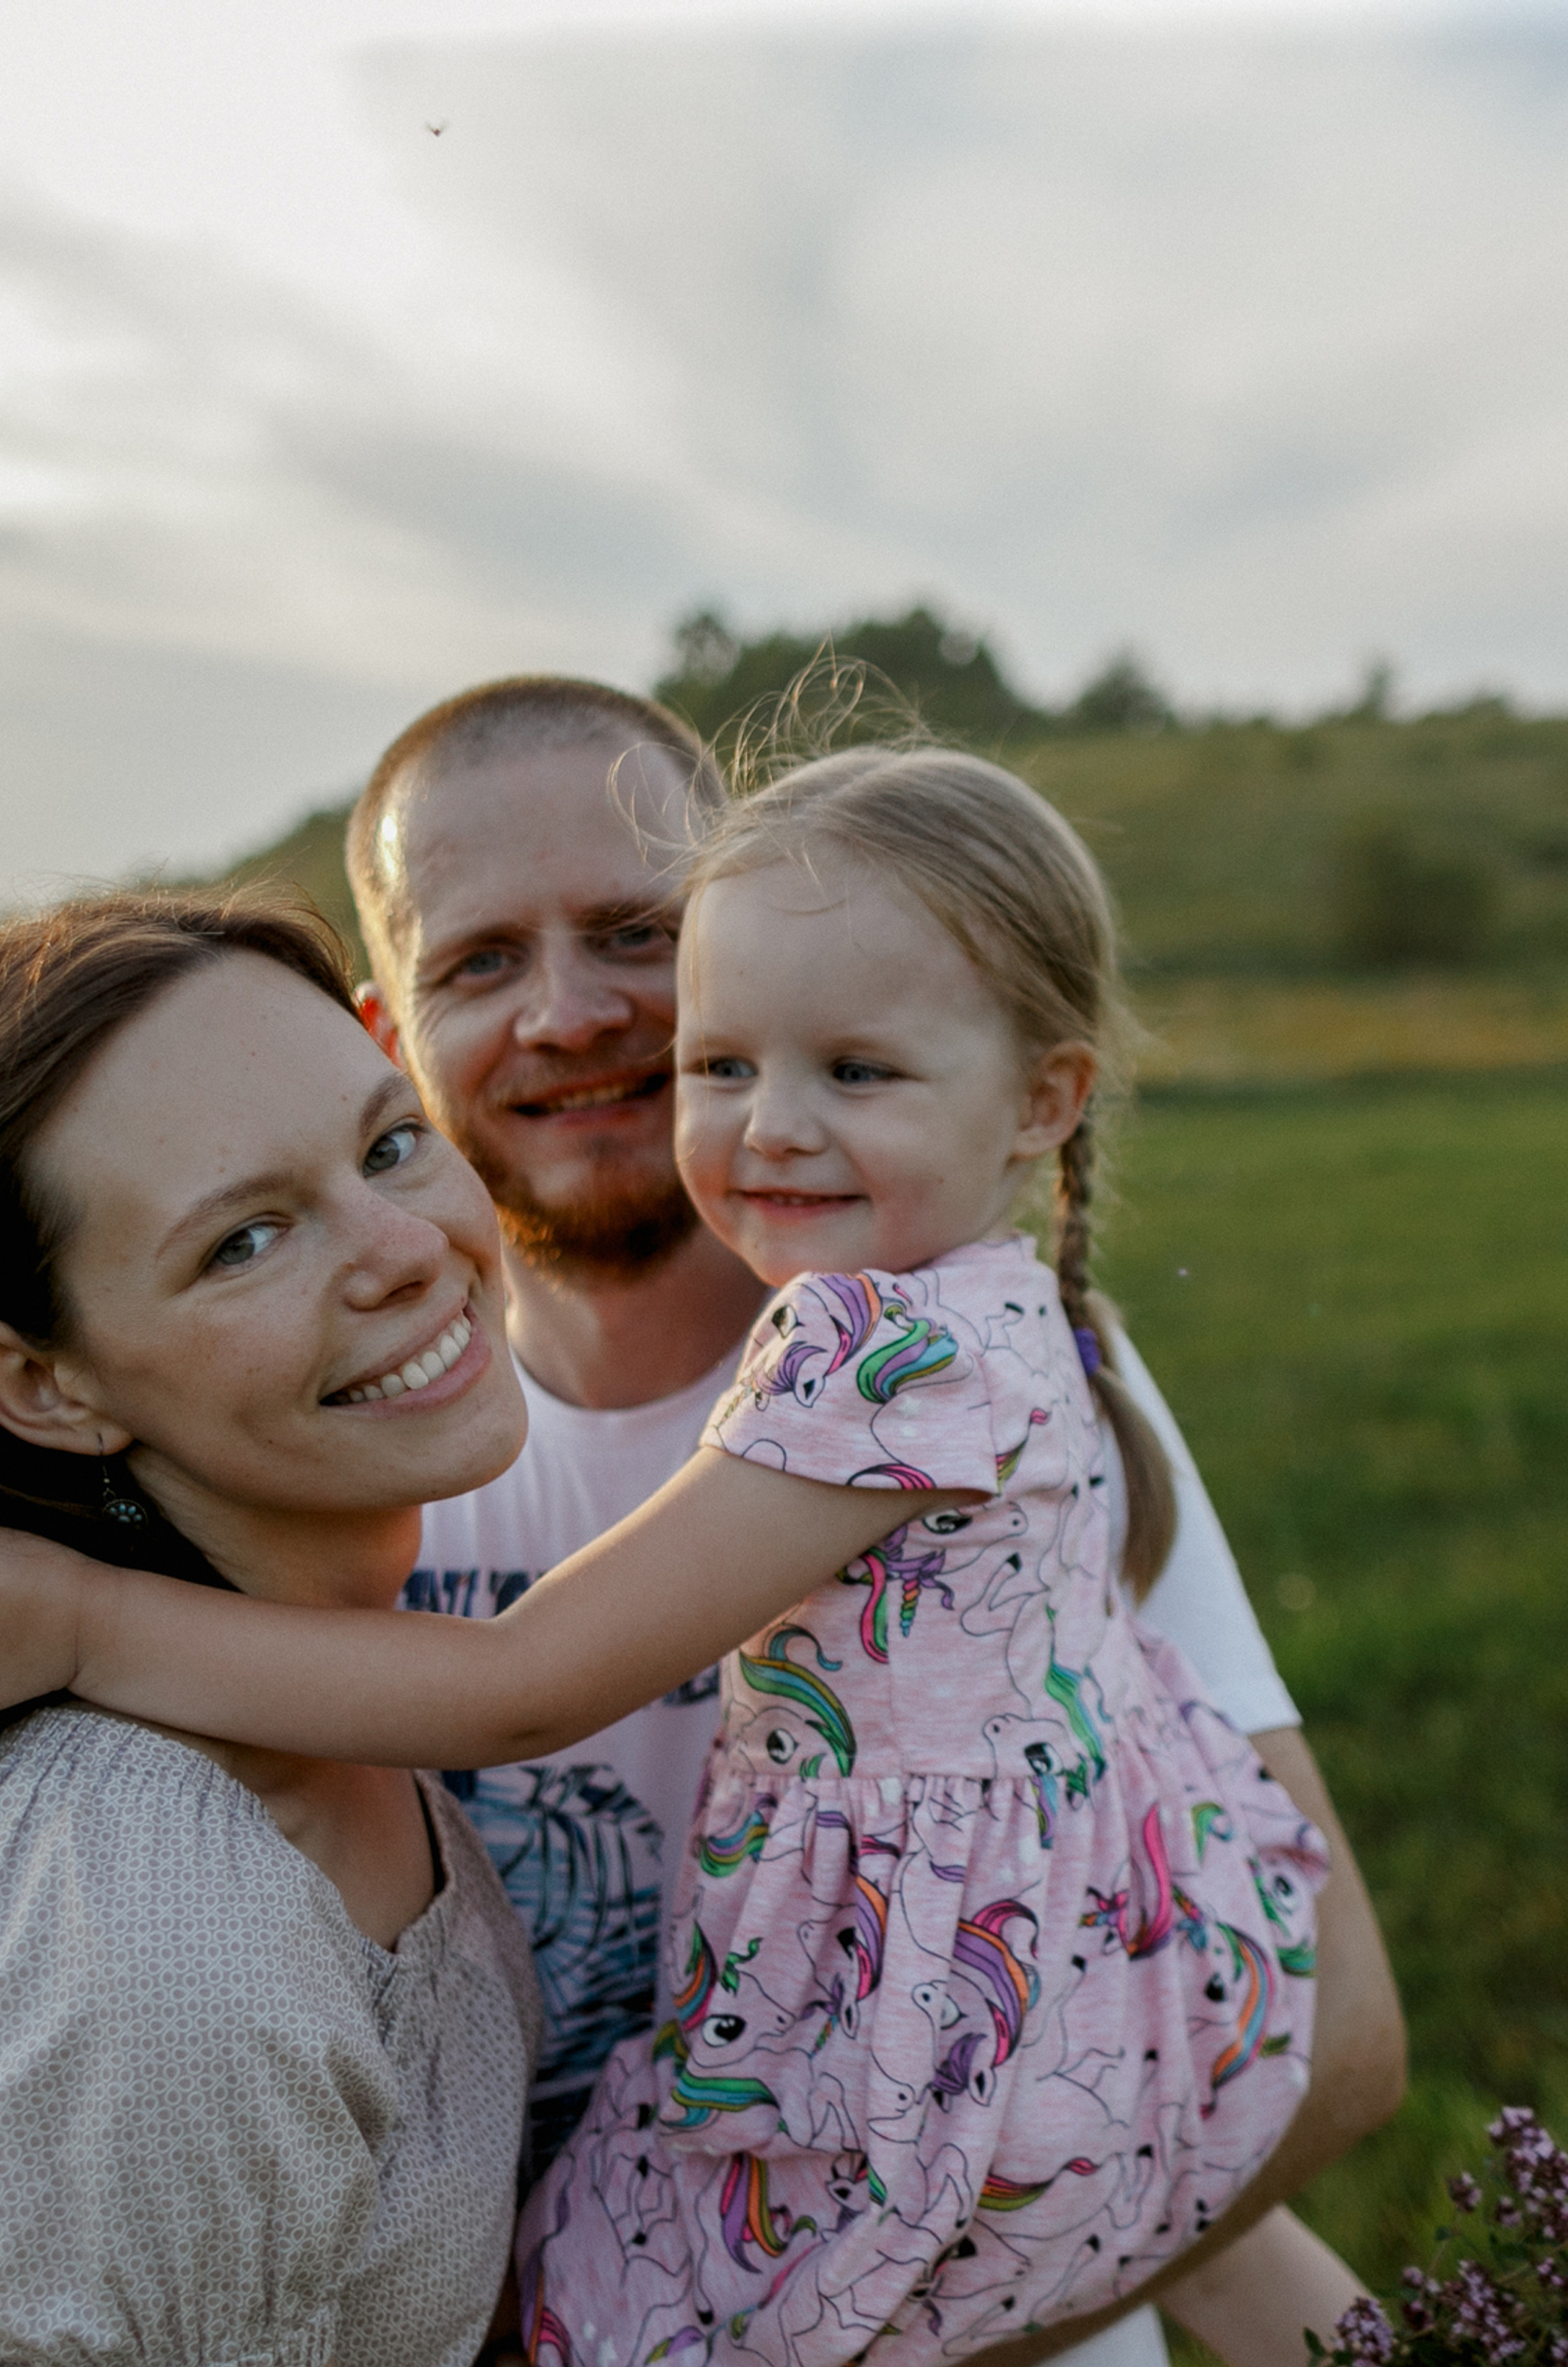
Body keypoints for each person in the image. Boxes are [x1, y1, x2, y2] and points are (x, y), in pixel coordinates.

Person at [0, 750, 1401, 2367]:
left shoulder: (888, 1358)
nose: (770, 1123)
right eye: (721, 1064)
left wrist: (85, 1625)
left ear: (1042, 1100)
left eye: (856, 1068)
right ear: (396, 1026)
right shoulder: (976, 1327)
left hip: (893, 2092)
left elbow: (525, 1684)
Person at [345, 679, 1402, 2363]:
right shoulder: (325, 1456)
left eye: (634, 930)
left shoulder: (1011, 1378)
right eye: (479, 960)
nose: (569, 1013)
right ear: (387, 1034)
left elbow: (1296, 2036)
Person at [0, 893, 551, 2367]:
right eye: (246, 1239)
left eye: (390, 1142)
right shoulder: (158, 1910)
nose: (406, 1246)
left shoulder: (325, 1694)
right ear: (42, 1386)